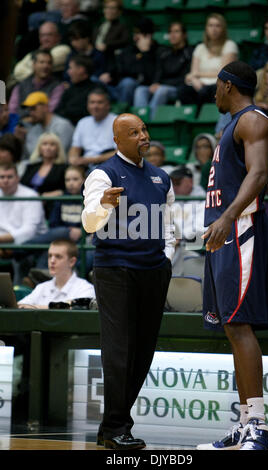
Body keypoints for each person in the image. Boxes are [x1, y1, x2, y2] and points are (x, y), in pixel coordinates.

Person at [81, 113, 175, 449]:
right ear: (118, 140)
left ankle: (112, 426)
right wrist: (103, 206)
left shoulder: (161, 177)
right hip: (115, 269)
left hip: (154, 270)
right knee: (119, 349)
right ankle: (118, 426)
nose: (142, 136)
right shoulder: (102, 174)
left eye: (144, 130)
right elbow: (89, 223)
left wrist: (167, 258)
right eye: (133, 132)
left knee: (143, 350)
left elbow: (168, 225)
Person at [197, 61, 268, 451]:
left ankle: (258, 426)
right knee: (230, 326)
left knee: (240, 325)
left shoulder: (253, 120)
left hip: (241, 231)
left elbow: (258, 174)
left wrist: (228, 216)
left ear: (228, 86)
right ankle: (244, 422)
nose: (214, 93)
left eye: (216, 86)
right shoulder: (232, 125)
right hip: (224, 233)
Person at [178, 13, 238, 111]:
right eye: (210, 25)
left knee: (206, 91)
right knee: (182, 91)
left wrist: (197, 75)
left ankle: (205, 117)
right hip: (200, 84)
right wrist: (194, 80)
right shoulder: (200, 47)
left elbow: (223, 73)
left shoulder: (230, 45)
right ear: (206, 28)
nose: (214, 29)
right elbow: (193, 72)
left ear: (223, 29)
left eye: (217, 26)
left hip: (218, 83)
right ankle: (192, 117)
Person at [133, 21, 194, 119]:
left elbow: (184, 78)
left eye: (176, 32)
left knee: (162, 90)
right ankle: (137, 122)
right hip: (162, 85)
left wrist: (160, 85)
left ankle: (151, 122)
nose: (172, 35)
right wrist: (155, 83)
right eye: (170, 32)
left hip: (177, 88)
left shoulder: (189, 52)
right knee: (140, 90)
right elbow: (158, 71)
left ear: (184, 35)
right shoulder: (164, 52)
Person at [18, 239, 95, 309]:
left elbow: (76, 310)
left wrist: (35, 307)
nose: (52, 261)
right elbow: (19, 306)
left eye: (58, 256)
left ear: (72, 262)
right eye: (50, 256)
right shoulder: (41, 287)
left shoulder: (86, 288)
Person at [103, 17, 160, 105]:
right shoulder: (128, 50)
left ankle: (122, 112)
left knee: (128, 83)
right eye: (135, 33)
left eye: (140, 34)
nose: (136, 37)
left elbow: (151, 76)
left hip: (142, 87)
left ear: (149, 35)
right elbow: (120, 69)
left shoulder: (158, 51)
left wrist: (145, 53)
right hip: (119, 87)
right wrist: (109, 74)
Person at [0, 163, 47, 249]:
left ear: (18, 178)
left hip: (29, 245)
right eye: (2, 177)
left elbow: (29, 231)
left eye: (9, 177)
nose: (5, 180)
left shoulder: (31, 196)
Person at [68, 88, 116, 169]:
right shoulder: (83, 122)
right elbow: (75, 148)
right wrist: (73, 159)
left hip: (110, 165)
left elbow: (120, 153)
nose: (95, 106)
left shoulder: (117, 121)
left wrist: (91, 160)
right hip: (86, 167)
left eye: (100, 102)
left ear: (108, 105)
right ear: (87, 105)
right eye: (92, 102)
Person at [8, 49, 65, 118]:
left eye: (49, 63)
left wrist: (30, 119)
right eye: (42, 62)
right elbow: (12, 110)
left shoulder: (57, 86)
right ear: (34, 64)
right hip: (19, 124)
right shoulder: (21, 85)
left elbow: (51, 110)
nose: (45, 66)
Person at [20, 91, 74, 158]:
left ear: (45, 107)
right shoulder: (33, 130)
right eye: (29, 110)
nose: (31, 113)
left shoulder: (62, 125)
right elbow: (31, 156)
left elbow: (59, 155)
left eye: (33, 109)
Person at [54, 55, 98, 125]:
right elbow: (58, 111)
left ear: (81, 70)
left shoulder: (96, 90)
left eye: (70, 68)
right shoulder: (69, 90)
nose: (68, 72)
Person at [21, 132, 67, 199]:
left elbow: (67, 189)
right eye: (44, 144)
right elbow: (22, 186)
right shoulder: (31, 167)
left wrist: (58, 193)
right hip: (28, 203)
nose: (48, 147)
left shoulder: (63, 168)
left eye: (52, 144)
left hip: (51, 204)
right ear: (39, 148)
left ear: (58, 149)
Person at [94, 0, 130, 73]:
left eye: (112, 8)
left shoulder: (122, 26)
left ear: (119, 12)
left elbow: (125, 41)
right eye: (106, 8)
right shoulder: (99, 26)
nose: (108, 11)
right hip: (95, 57)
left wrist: (107, 45)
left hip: (110, 60)